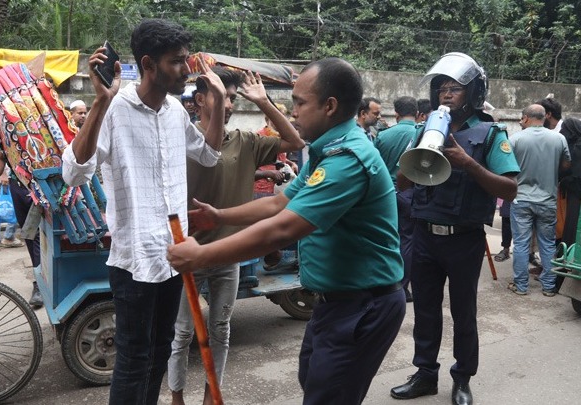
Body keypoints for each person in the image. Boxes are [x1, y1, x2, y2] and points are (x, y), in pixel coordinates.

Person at [168, 57, 406, 405]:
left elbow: (283, 229)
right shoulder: (328, 153)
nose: (292, 112)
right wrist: (218, 216)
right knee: (313, 380)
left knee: (328, 395)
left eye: (299, 103)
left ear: (330, 106)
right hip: (337, 302)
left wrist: (201, 255)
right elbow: (277, 204)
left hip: (362, 306)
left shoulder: (347, 160)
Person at [61, 19, 227, 405]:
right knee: (133, 359)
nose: (186, 70)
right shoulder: (115, 109)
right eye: (177, 62)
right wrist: (100, 101)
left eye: (187, 60)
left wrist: (217, 102)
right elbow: (73, 173)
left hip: (174, 254)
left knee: (162, 349)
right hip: (134, 259)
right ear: (149, 64)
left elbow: (209, 153)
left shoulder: (173, 110)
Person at [168, 67, 303, 405]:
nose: (229, 104)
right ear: (200, 100)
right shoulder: (182, 140)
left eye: (231, 98)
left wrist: (265, 102)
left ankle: (211, 394)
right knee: (182, 333)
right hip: (188, 253)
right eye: (223, 96)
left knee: (220, 330)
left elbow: (295, 141)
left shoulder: (245, 141)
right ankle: (177, 396)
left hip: (229, 254)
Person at [390, 52, 519, 405]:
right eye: (442, 89)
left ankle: (462, 378)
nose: (447, 94)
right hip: (425, 236)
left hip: (464, 240)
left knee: (464, 313)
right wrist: (418, 148)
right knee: (426, 311)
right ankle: (425, 374)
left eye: (456, 88)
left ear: (474, 93)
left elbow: (509, 189)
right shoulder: (424, 129)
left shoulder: (491, 133)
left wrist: (466, 163)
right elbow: (402, 184)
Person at [507, 104, 570, 296]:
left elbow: (506, 166)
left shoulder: (515, 139)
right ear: (544, 117)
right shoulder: (559, 138)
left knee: (521, 243)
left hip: (521, 199)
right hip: (547, 200)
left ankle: (521, 285)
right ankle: (549, 287)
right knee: (547, 243)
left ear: (525, 118)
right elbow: (566, 164)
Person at [374, 96, 419, 302]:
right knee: (408, 240)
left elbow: (376, 166)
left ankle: (385, 281)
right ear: (417, 113)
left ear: (397, 114)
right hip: (411, 194)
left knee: (386, 238)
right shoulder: (422, 134)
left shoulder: (383, 136)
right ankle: (403, 287)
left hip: (386, 195)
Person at [0, 150, 43, 308]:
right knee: (29, 235)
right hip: (17, 186)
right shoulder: (4, 129)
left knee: (38, 235)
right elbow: (0, 157)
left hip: (40, 184)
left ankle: (41, 283)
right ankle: (40, 279)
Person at [254, 102, 299, 199]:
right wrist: (268, 173)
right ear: (267, 120)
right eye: (274, 118)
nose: (278, 122)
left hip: (279, 187)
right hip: (262, 188)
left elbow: (278, 158)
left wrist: (290, 163)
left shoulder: (282, 137)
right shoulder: (259, 137)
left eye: (281, 118)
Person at [0, 170, 24, 253]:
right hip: (5, 179)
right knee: (13, 207)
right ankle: (8, 237)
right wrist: (3, 175)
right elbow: (0, 158)